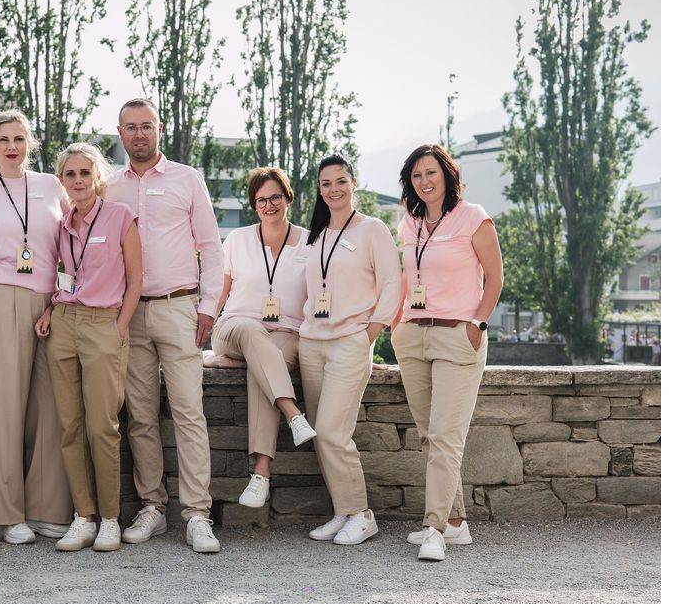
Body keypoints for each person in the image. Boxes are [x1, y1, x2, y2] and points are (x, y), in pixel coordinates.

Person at [107, 98, 225, 553]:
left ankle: (197, 514)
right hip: (129, 313)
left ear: (159, 129)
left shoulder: (186, 178)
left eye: (146, 126)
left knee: (188, 412)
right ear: (120, 133)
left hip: (180, 308)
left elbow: (211, 246)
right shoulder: (109, 186)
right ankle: (152, 507)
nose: (139, 134)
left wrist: (208, 307)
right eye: (130, 127)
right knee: (140, 415)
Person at [0, 109, 75, 545]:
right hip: (1, 300)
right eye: (4, 139)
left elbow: (72, 248)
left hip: (52, 304)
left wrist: (60, 297)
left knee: (52, 406)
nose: (12, 147)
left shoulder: (52, 187)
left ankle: (47, 508)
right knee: (5, 407)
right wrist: (0, 273)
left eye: (20, 139)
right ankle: (4, 514)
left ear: (31, 144)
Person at [388, 144, 504, 562]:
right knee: (429, 435)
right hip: (413, 335)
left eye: (431, 172)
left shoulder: (473, 216)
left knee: (446, 437)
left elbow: (495, 277)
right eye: (416, 175)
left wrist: (478, 324)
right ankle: (455, 523)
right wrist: (395, 325)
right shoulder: (409, 221)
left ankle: (434, 528)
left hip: (458, 335)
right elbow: (407, 276)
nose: (424, 181)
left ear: (447, 175)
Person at [35, 142, 143, 552]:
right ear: (61, 180)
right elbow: (65, 276)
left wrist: (119, 328)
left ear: (98, 176)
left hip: (104, 325)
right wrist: (50, 310)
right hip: (64, 324)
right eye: (70, 174)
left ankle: (110, 519)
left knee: (102, 426)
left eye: (85, 173)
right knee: (70, 426)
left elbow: (136, 280)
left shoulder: (120, 216)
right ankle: (84, 517)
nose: (78, 180)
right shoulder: (62, 223)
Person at [295, 154, 399, 546]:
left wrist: (370, 333)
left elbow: (393, 283)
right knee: (319, 432)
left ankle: (362, 514)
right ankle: (342, 510)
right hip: (311, 343)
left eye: (340, 181)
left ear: (353, 183)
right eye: (326, 183)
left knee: (333, 432)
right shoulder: (315, 235)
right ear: (319, 189)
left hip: (349, 343)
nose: (333, 189)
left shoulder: (372, 229)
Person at [209, 167, 313, 510]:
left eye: (275, 197)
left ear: (288, 198)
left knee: (264, 362)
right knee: (254, 335)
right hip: (235, 328)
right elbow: (219, 292)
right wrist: (197, 333)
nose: (269, 205)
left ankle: (261, 474)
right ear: (254, 204)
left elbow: (322, 298)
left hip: (286, 333)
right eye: (261, 200)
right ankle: (293, 413)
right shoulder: (237, 240)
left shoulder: (310, 243)